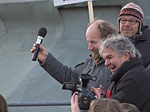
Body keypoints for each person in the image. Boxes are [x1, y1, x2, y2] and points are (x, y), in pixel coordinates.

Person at [30, 20, 117, 90]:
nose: (89, 47)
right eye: (88, 42)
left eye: (93, 42)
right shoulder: (90, 63)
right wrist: (45, 58)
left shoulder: (117, 66)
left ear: (108, 39)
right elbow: (70, 77)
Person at [93, 34, 150, 112]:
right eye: (105, 59)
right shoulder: (123, 76)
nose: (106, 63)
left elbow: (114, 109)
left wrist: (99, 103)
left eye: (109, 57)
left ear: (126, 56)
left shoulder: (132, 79)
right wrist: (104, 96)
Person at [118, 2, 150, 68]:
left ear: (140, 25)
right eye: (123, 20)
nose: (126, 24)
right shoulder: (113, 44)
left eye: (132, 21)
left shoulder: (148, 44)